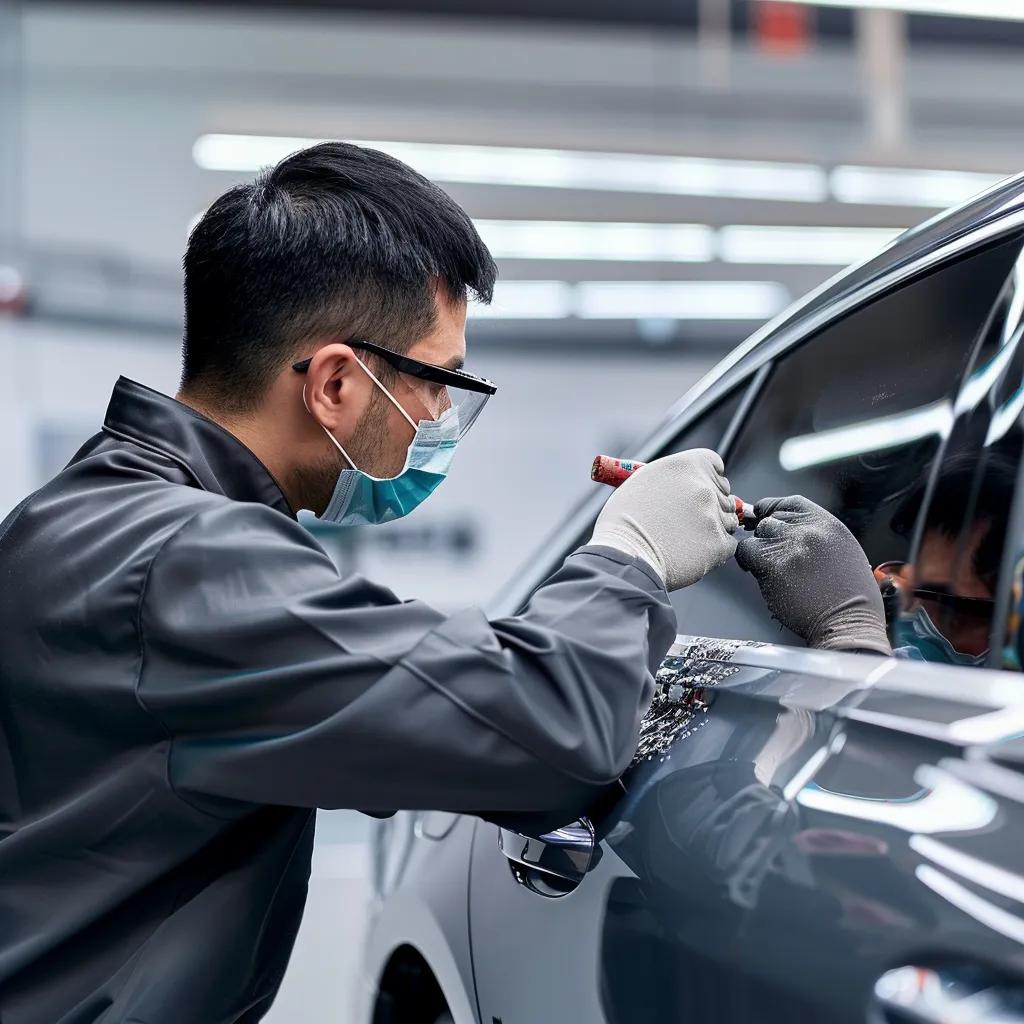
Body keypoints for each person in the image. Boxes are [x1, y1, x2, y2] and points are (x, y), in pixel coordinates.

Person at [0, 142, 741, 1023]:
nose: (442, 421)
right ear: (338, 384)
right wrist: (630, 556)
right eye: (441, 384)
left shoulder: (84, 515)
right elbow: (548, 734)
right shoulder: (189, 564)